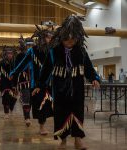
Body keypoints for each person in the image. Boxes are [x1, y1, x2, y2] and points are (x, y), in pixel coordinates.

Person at [32, 15, 100, 149]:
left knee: (78, 111)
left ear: (77, 38)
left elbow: (88, 67)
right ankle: (62, 140)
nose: (69, 42)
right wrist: (40, 85)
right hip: (59, 86)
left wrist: (94, 78)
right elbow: (46, 69)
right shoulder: (54, 51)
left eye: (73, 40)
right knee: (60, 112)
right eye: (66, 40)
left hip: (77, 86)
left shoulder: (81, 50)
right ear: (61, 37)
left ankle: (78, 139)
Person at [10, 26, 54, 135]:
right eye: (48, 37)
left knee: (50, 105)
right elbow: (23, 64)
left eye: (51, 37)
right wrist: (14, 72)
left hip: (50, 83)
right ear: (41, 38)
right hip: (37, 84)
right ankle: (41, 127)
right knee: (41, 105)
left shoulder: (53, 50)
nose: (50, 40)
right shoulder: (33, 51)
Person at [0, 46, 17, 119]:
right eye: (8, 54)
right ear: (5, 54)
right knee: (6, 98)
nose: (10, 55)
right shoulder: (1, 63)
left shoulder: (15, 62)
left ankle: (11, 109)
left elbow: (19, 72)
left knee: (13, 99)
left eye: (11, 54)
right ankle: (6, 113)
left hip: (13, 84)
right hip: (4, 83)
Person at [14, 36, 35, 126]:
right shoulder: (20, 56)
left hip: (34, 81)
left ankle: (27, 115)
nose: (30, 47)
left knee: (31, 100)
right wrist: (14, 84)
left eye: (31, 45)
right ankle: (27, 118)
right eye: (28, 45)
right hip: (24, 80)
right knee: (26, 98)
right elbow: (16, 69)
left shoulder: (36, 54)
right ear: (25, 46)